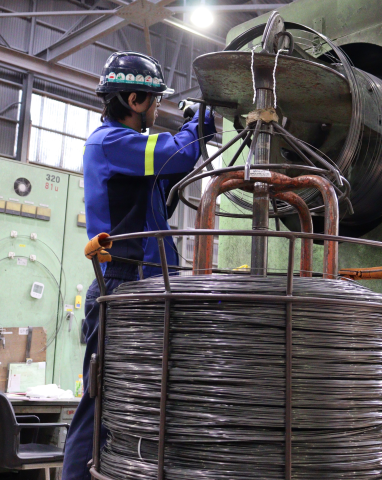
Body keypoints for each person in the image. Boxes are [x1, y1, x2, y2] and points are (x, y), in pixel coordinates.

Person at [62, 51, 215, 480]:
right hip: (123, 284)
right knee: (101, 403)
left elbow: (171, 173)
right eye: (155, 101)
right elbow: (176, 155)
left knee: (141, 400)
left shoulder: (132, 155)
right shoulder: (111, 142)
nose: (158, 109)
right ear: (134, 100)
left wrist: (195, 133)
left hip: (146, 284)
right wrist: (199, 122)